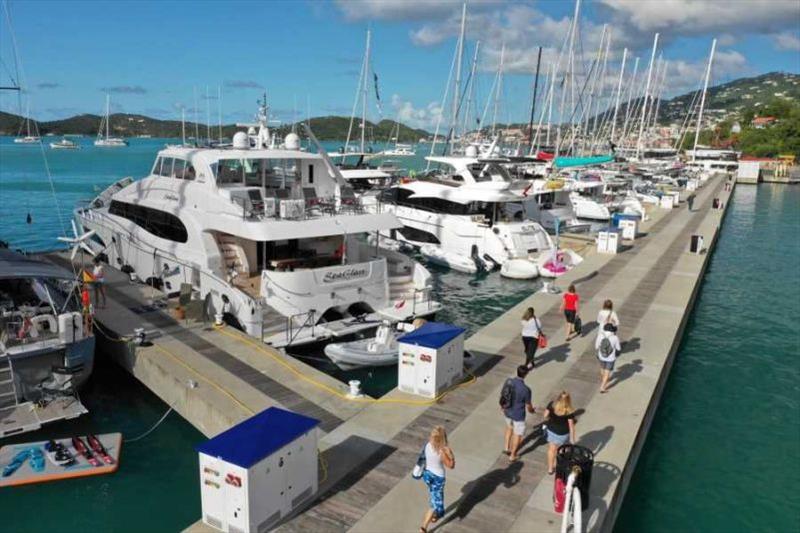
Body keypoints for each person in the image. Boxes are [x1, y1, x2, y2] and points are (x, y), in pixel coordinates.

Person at [420, 426, 455, 533]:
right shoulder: (442, 452)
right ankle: (423, 528)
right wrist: (451, 455)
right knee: (434, 504)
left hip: (427, 475)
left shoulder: (427, 445)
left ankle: (435, 516)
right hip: (438, 479)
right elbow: (451, 465)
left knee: (435, 495)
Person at [502, 365, 535, 462]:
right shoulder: (526, 389)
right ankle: (512, 455)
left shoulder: (508, 381)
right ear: (526, 374)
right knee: (518, 434)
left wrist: (503, 407)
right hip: (518, 414)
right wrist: (532, 410)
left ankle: (506, 448)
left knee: (509, 428)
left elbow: (503, 395)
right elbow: (528, 405)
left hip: (507, 411)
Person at [543, 391, 577, 475]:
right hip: (563, 433)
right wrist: (572, 439)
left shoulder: (552, 405)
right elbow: (571, 426)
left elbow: (545, 416)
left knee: (551, 449)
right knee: (561, 450)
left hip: (551, 430)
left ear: (558, 397)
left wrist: (551, 418)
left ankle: (550, 469)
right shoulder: (569, 410)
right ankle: (558, 465)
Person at [595, 323, 622, 393]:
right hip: (610, 358)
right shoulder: (615, 337)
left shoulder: (600, 335)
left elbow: (596, 346)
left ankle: (603, 379)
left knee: (602, 368)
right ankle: (602, 387)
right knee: (607, 372)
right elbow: (618, 348)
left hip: (601, 356)